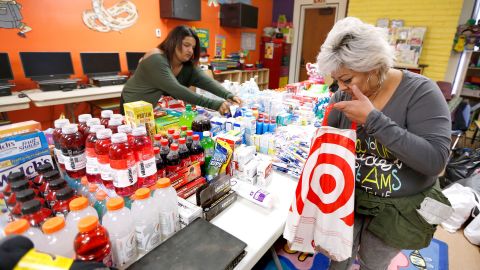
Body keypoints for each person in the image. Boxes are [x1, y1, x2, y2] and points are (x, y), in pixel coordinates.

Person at [316, 17, 452, 269]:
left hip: (398, 209)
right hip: (348, 199)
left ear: (375, 67)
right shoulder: (342, 95)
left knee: (373, 262)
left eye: (347, 79)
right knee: (337, 256)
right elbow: (328, 147)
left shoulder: (421, 93)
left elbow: (435, 161)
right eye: (337, 81)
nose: (342, 88)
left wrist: (373, 120)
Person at [120, 25, 241, 115]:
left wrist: (228, 95)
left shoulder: (185, 65)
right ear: (173, 42)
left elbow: (206, 81)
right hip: (132, 105)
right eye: (186, 45)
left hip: (150, 107)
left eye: (193, 47)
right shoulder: (156, 58)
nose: (190, 51)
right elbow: (176, 89)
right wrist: (214, 104)